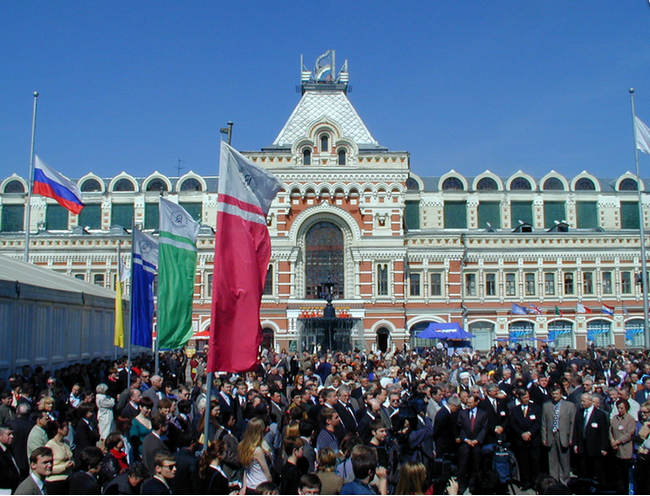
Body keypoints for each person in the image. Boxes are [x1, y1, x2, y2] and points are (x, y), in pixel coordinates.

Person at [541, 385, 576, 484]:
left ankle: (564, 480)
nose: (554, 396)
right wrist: (544, 437)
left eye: (556, 394)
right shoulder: (546, 405)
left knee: (564, 461)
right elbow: (544, 423)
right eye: (553, 394)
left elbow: (573, 423)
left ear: (561, 394)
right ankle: (554, 480)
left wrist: (571, 438)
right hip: (551, 436)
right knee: (552, 460)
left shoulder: (570, 406)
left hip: (564, 436)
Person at [572, 393, 609, 485]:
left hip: (595, 448)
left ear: (590, 401)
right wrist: (575, 444)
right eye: (581, 401)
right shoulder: (579, 413)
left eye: (584, 401)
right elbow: (576, 429)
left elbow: (604, 432)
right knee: (583, 469)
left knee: (596, 469)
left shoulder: (600, 414)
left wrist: (604, 448)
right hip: (582, 446)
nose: (582, 403)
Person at [238, 417, 273, 494]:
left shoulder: (241, 446)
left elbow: (245, 469)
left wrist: (244, 486)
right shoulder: (258, 451)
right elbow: (268, 474)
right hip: (261, 486)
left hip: (249, 486)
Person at [609, 399, 635, 495]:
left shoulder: (630, 419)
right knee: (617, 472)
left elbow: (629, 434)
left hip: (625, 450)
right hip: (616, 450)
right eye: (618, 408)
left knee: (625, 473)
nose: (619, 410)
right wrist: (612, 441)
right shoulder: (615, 418)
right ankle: (618, 490)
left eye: (621, 408)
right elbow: (610, 430)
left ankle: (625, 492)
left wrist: (617, 442)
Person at [44, 420, 74, 495]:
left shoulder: (66, 442)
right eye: (66, 427)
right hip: (55, 482)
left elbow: (71, 457)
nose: (68, 429)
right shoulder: (49, 445)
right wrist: (64, 466)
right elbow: (47, 468)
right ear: (59, 430)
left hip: (68, 479)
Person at [0, 426, 23, 493]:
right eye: (9, 434)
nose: (12, 436)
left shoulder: (9, 449)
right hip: (4, 490)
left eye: (12, 434)